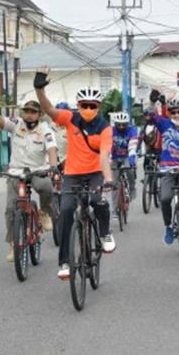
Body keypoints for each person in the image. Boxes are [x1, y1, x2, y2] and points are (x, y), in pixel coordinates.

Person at [33, 66, 116, 280]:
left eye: (92, 105)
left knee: (98, 201)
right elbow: (50, 110)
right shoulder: (71, 119)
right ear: (78, 106)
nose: (88, 108)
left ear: (98, 107)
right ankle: (65, 262)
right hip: (72, 174)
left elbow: (104, 155)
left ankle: (105, 233)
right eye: (84, 105)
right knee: (67, 211)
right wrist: (39, 90)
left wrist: (108, 179)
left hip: (96, 173)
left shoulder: (105, 127)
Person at [0, 98, 57, 262]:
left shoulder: (46, 130)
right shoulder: (16, 124)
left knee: (46, 187)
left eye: (33, 112)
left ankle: (44, 213)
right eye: (26, 111)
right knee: (10, 209)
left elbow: (51, 149)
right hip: (16, 171)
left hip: (37, 170)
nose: (29, 115)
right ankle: (13, 244)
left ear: (39, 115)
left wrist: (53, 166)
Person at [146, 92, 179, 245]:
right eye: (173, 112)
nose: (176, 115)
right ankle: (168, 227)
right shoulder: (164, 124)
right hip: (167, 169)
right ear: (169, 114)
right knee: (165, 199)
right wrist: (152, 101)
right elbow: (150, 114)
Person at [110, 111, 138, 217]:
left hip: (127, 155)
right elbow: (108, 146)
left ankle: (132, 188)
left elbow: (133, 145)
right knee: (114, 184)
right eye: (119, 124)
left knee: (129, 171)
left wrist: (131, 159)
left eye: (124, 124)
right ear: (115, 124)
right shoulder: (110, 131)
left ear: (127, 124)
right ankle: (114, 209)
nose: (121, 127)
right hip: (115, 157)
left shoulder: (132, 131)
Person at [52, 102, 70, 169]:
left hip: (67, 163)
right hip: (52, 164)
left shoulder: (72, 128)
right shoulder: (50, 127)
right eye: (59, 113)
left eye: (64, 113)